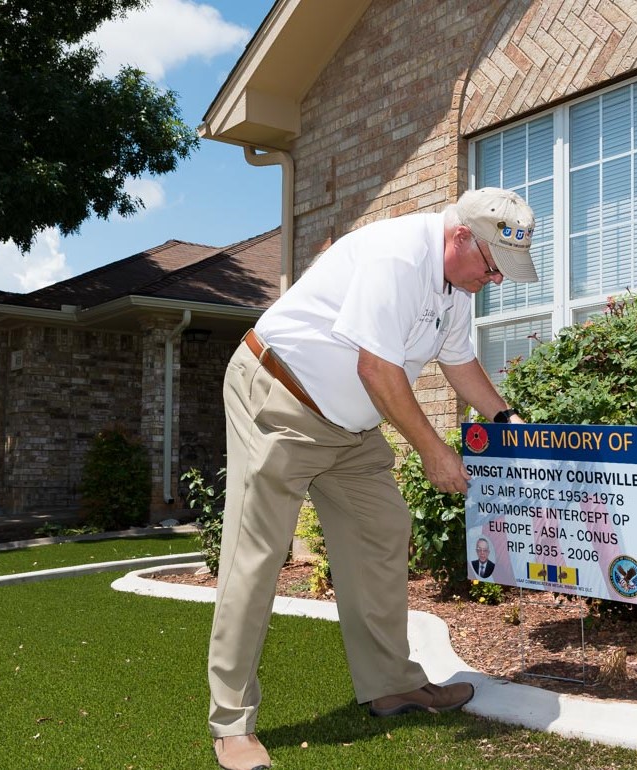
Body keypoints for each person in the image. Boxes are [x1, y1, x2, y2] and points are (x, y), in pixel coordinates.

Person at [207, 187, 535, 770]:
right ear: (461, 236)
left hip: (351, 428)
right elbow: (376, 368)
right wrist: (434, 452)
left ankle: (391, 684)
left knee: (383, 528)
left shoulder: (457, 286)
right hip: (280, 397)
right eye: (492, 266)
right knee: (256, 555)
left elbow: (459, 361)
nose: (496, 280)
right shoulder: (397, 256)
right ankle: (232, 723)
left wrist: (507, 418)